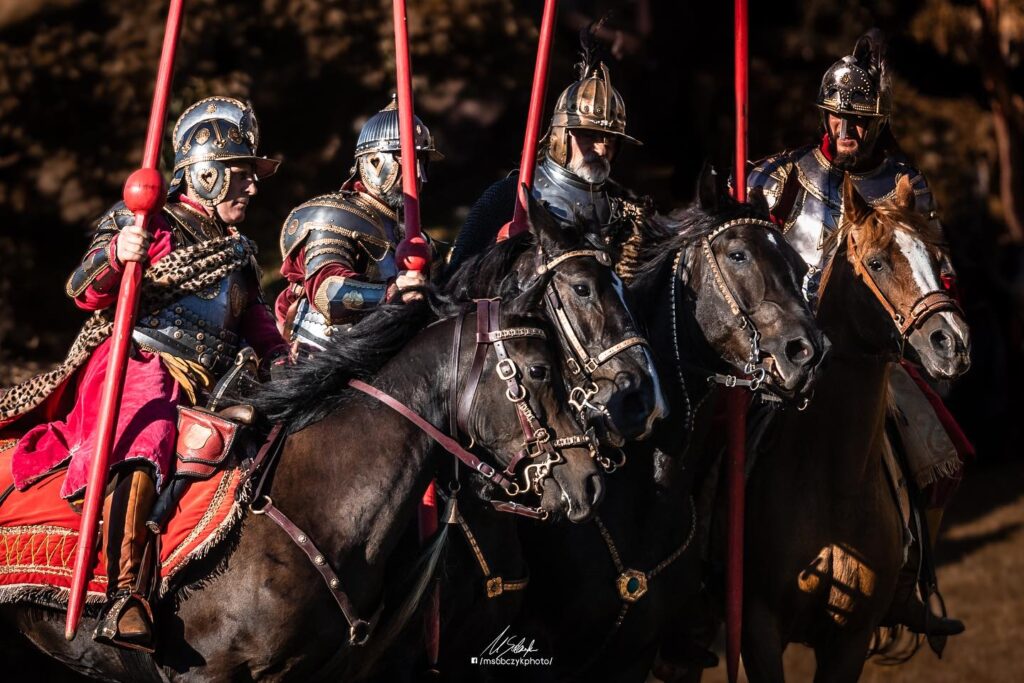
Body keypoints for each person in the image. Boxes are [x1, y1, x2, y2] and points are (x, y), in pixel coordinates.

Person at [0, 96, 288, 651]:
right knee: (147, 431)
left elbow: (254, 319)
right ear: (206, 174)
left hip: (214, 378)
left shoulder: (239, 253)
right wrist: (117, 252)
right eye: (241, 175)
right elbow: (84, 291)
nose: (253, 188)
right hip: (139, 360)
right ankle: (127, 594)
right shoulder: (145, 221)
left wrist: (283, 360)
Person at [746, 31, 969, 639]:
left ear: (876, 124)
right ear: (825, 114)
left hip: (875, 360)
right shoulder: (779, 176)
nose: (849, 128)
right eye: (841, 115)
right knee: (710, 441)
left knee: (943, 460)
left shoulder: (905, 185)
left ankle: (904, 583)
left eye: (861, 119)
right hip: (782, 357)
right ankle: (700, 582)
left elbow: (937, 267)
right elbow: (736, 258)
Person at [447, 41, 652, 279]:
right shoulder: (511, 196)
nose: (601, 148)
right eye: (588, 135)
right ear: (560, 136)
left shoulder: (624, 212)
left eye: (610, 139)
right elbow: (456, 280)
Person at [275, 98, 442, 351]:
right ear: (374, 162)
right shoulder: (334, 216)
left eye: (423, 162)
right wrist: (393, 291)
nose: (419, 175)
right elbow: (328, 292)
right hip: (324, 359)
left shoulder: (416, 236)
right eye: (407, 162)